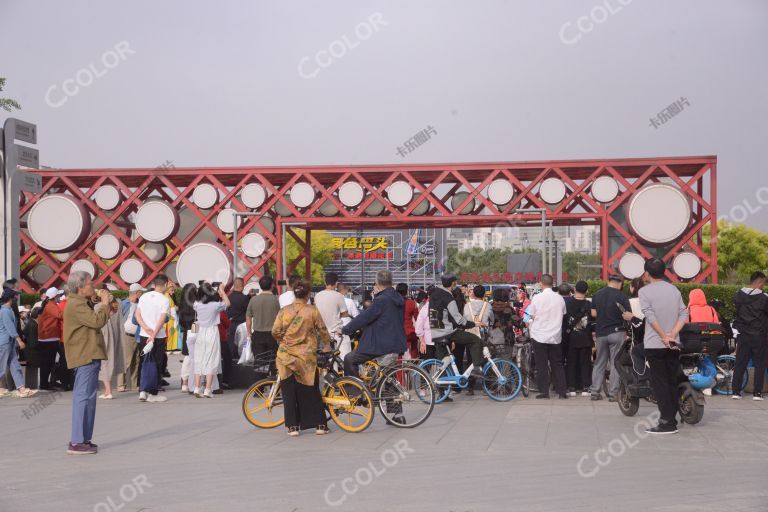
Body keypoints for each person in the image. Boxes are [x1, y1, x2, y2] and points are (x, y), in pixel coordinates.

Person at [272, 279, 332, 436]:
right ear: (307, 294)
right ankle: (319, 425)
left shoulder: (284, 311)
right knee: (311, 390)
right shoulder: (312, 311)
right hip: (306, 357)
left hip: (285, 356)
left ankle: (293, 427)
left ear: (294, 293)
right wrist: (326, 345)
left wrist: (284, 342)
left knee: (289, 391)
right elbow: (323, 330)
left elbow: (275, 331)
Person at [62, 271, 111, 454]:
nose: (94, 286)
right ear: (81, 288)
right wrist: (104, 304)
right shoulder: (76, 304)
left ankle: (83, 438)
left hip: (89, 354)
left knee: (88, 398)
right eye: (90, 284)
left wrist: (102, 304)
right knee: (83, 397)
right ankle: (76, 441)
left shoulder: (81, 302)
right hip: (85, 355)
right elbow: (96, 322)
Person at [639, 258, 689, 434]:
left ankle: (667, 422)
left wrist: (663, 336)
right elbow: (684, 314)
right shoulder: (674, 289)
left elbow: (650, 317)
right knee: (671, 381)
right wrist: (672, 335)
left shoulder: (644, 292)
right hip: (673, 343)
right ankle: (672, 417)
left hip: (655, 343)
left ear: (647, 273)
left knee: (660, 384)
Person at [342, 270, 408, 378]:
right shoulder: (398, 298)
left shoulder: (381, 300)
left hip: (380, 344)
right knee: (387, 377)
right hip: (395, 342)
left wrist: (345, 329)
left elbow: (364, 317)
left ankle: (353, 392)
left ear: (377, 283)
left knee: (350, 359)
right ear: (391, 282)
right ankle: (389, 392)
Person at [427, 274, 485, 380]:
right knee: (475, 340)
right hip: (447, 332)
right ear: (453, 283)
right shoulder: (448, 298)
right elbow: (459, 319)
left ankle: (442, 392)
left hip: (435, 332)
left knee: (444, 362)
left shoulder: (433, 294)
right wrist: (474, 324)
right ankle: (476, 368)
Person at [589, 274, 633, 401]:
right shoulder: (622, 296)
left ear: (608, 281)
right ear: (620, 284)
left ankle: (595, 392)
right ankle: (613, 393)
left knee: (599, 362)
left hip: (601, 333)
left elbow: (593, 313)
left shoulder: (597, 294)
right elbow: (627, 315)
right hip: (617, 332)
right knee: (615, 363)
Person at [527, 275, 568, 399]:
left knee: (541, 364)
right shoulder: (560, 299)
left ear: (541, 284)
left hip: (539, 335)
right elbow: (564, 313)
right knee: (557, 364)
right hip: (555, 336)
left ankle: (544, 391)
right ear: (552, 283)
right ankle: (562, 392)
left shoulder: (537, 298)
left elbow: (532, 314)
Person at [731, 271, 768, 401]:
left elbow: (737, 312)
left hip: (743, 335)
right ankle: (757, 393)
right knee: (760, 364)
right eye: (763, 283)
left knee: (740, 362)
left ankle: (736, 391)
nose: (763, 285)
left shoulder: (738, 295)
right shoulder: (764, 298)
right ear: (759, 282)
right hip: (759, 335)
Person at [135, 274, 172, 403]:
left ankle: (142, 391)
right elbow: (162, 319)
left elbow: (137, 314)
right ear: (166, 285)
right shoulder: (164, 300)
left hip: (144, 334)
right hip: (158, 336)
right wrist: (154, 334)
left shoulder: (144, 296)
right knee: (156, 363)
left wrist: (145, 328)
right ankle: (153, 392)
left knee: (144, 362)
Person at [192, 283, 231, 398]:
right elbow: (228, 303)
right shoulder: (215, 305)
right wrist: (222, 291)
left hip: (200, 333)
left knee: (199, 359)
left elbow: (197, 299)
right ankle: (208, 389)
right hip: (212, 332)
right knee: (211, 360)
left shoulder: (197, 305)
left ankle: (197, 388)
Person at [0, 288, 38, 398]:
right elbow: (10, 328)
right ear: (10, 298)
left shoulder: (7, 310)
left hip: (8, 342)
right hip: (5, 342)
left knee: (14, 365)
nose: (16, 298)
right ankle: (20, 389)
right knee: (2, 366)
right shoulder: (5, 311)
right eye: (15, 296)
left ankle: (21, 388)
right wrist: (19, 340)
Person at [94, 284, 124, 400]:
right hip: (115, 334)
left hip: (104, 334)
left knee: (104, 361)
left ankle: (108, 391)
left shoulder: (99, 307)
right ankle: (108, 390)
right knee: (110, 360)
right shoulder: (116, 304)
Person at [564, 281, 593, 397]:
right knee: (585, 363)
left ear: (574, 289)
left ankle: (572, 387)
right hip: (586, 338)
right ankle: (585, 387)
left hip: (571, 337)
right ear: (586, 291)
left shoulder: (567, 303)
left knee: (571, 362)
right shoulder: (589, 304)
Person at [245, 275, 281, 362]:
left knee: (259, 363)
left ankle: (260, 375)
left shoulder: (253, 300)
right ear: (272, 285)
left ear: (260, 286)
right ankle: (271, 375)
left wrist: (249, 333)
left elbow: (248, 318)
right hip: (272, 335)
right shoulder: (276, 300)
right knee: (272, 362)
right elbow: (280, 318)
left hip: (257, 335)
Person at [118, 283, 144, 392]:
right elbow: (118, 318)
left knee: (136, 361)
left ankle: (134, 384)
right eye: (141, 292)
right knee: (126, 360)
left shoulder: (140, 304)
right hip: (127, 335)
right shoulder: (124, 304)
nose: (142, 294)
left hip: (137, 335)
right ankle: (121, 384)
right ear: (137, 293)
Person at [37, 287, 65, 390]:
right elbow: (60, 315)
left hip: (47, 338)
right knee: (47, 363)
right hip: (49, 338)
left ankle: (46, 383)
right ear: (54, 297)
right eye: (59, 295)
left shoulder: (49, 304)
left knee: (47, 363)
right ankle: (44, 384)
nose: (60, 297)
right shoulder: (51, 305)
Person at [224, 278, 249, 389]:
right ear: (243, 286)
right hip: (242, 326)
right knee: (243, 348)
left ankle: (229, 378)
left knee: (230, 349)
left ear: (234, 286)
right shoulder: (244, 299)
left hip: (230, 325)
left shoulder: (228, 297)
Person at [314, 273, 348, 350]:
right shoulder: (339, 295)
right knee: (346, 343)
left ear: (325, 282)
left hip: (320, 332)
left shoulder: (317, 296)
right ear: (336, 283)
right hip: (335, 332)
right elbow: (345, 314)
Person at [177, 283, 196, 392]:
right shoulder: (196, 305)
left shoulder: (182, 306)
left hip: (186, 332)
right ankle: (193, 382)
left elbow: (181, 322)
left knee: (187, 358)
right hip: (195, 330)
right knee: (194, 358)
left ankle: (184, 382)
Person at [396, 283, 419, 359]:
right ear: (406, 291)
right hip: (409, 331)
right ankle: (414, 364)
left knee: (399, 354)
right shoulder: (411, 303)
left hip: (397, 332)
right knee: (414, 345)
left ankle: (399, 369)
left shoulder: (393, 303)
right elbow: (417, 318)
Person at [337, 283, 359, 359]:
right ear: (344, 290)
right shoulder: (349, 301)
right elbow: (356, 316)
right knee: (346, 353)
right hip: (348, 331)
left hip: (335, 330)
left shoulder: (333, 301)